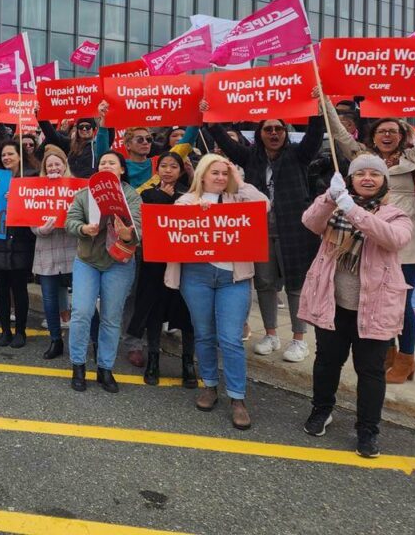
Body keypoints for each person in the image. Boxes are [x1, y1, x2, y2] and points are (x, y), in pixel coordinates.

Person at [299, 155, 412, 458]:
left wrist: (351, 208)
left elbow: (392, 239)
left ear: (384, 181)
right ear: (349, 180)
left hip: (374, 308)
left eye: (374, 174)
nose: (366, 178)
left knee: (371, 371)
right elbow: (310, 222)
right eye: (359, 173)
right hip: (332, 302)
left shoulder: (396, 215)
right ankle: (322, 410)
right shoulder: (335, 206)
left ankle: (368, 429)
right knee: (326, 362)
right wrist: (329, 197)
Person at [323, 87, 415, 384]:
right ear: (372, 136)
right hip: (371, 238)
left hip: (407, 241)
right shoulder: (363, 158)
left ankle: (406, 358)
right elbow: (340, 135)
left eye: (393, 131)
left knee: (404, 302)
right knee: (378, 299)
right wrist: (324, 101)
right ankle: (388, 351)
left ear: (402, 135)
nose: (387, 135)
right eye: (382, 131)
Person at [204, 101, 325, 364]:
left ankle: (299, 339)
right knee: (265, 283)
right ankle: (271, 334)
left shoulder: (299, 155)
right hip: (258, 230)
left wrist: (316, 107)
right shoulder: (250, 157)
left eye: (278, 129)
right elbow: (225, 142)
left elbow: (316, 134)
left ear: (285, 131)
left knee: (296, 285)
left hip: (294, 230)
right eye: (268, 129)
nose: (273, 133)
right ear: (259, 133)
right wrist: (212, 118)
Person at [165, 154, 269, 429]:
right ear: (202, 175)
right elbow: (170, 230)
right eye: (216, 173)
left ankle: (237, 397)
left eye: (225, 173)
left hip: (232, 278)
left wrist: (239, 180)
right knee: (204, 334)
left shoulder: (239, 199)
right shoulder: (185, 201)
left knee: (231, 338)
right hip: (197, 277)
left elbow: (265, 206)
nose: (221, 178)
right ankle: (210, 385)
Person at [65, 150, 141, 393]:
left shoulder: (132, 196)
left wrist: (130, 234)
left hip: (118, 263)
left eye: (112, 163)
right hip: (87, 261)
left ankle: (105, 368)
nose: (107, 165)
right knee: (81, 313)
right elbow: (70, 221)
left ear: (121, 170)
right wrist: (82, 228)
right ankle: (78, 365)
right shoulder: (84, 195)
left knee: (110, 317)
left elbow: (139, 227)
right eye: (103, 163)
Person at [127, 152, 197, 387]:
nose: (168, 170)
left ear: (181, 170)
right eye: (163, 166)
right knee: (154, 310)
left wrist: (167, 200)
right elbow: (146, 219)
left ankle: (188, 362)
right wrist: (161, 199)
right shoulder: (146, 194)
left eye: (173, 166)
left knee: (186, 311)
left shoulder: (189, 195)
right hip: (154, 262)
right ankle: (153, 358)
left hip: (182, 262)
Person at [0, 138, 38, 348]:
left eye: (11, 154)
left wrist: (18, 199)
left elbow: (36, 207)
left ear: (20, 156)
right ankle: (5, 330)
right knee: (0, 289)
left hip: (21, 241)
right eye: (4, 154)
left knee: (20, 288)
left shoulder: (32, 178)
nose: (7, 158)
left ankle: (20, 331)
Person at [30, 145, 77, 360]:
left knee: (82, 301)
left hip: (72, 250)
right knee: (49, 300)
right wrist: (42, 229)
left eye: (57, 164)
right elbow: (28, 217)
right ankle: (55, 340)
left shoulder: (77, 188)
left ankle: (90, 341)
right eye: (49, 165)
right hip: (46, 250)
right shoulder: (36, 188)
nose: (54, 167)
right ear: (44, 168)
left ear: (64, 165)